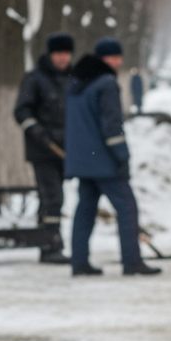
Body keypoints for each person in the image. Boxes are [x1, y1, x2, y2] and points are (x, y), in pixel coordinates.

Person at [64, 38, 160, 277]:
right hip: (103, 161)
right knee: (127, 207)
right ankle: (132, 261)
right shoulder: (106, 83)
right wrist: (122, 157)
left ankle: (79, 262)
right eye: (115, 57)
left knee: (85, 210)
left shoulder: (77, 82)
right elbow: (112, 125)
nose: (119, 61)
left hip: (83, 160)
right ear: (104, 58)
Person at [14, 32, 75, 265]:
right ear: (50, 55)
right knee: (53, 198)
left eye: (66, 54)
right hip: (43, 150)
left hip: (65, 150)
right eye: (58, 53)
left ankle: (45, 241)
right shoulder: (35, 79)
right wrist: (36, 130)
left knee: (49, 198)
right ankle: (51, 247)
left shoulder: (72, 79)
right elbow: (21, 110)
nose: (62, 58)